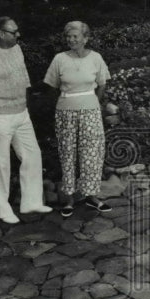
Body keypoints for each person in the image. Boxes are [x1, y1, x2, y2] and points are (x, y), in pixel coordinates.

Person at [0, 16, 51, 224]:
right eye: (14, 32)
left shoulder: (16, 48)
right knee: (0, 163)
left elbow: (24, 78)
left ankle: (31, 202)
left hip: (21, 113)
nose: (18, 35)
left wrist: (28, 107)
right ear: (1, 33)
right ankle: (3, 209)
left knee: (32, 155)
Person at [43, 20, 112, 217]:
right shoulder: (59, 59)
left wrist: (93, 103)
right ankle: (69, 199)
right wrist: (66, 103)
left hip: (90, 111)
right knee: (68, 153)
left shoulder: (96, 58)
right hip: (66, 111)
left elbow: (102, 84)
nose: (71, 40)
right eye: (68, 36)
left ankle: (91, 196)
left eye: (75, 36)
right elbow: (52, 86)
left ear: (86, 38)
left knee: (92, 153)